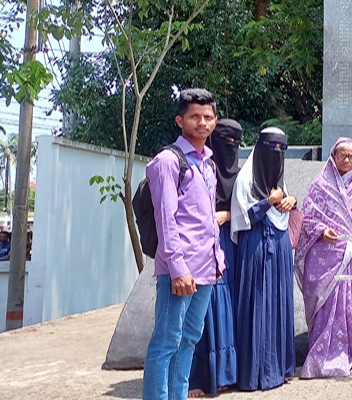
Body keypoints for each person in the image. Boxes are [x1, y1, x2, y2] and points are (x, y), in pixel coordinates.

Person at [142, 88, 224, 400]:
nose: (202, 122)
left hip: (205, 267)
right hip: (180, 270)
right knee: (166, 341)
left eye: (207, 117)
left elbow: (205, 218)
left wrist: (218, 259)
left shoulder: (209, 163)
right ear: (180, 120)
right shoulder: (168, 161)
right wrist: (178, 270)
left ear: (215, 122)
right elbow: (167, 219)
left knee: (189, 337)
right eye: (194, 117)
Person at [295, 137, 352, 378]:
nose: (346, 159)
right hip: (325, 256)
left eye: (351, 156)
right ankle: (323, 357)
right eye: (342, 155)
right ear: (333, 157)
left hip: (351, 255)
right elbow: (308, 220)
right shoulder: (320, 185)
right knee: (326, 308)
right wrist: (323, 231)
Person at [230, 127, 296, 391]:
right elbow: (242, 217)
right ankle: (254, 373)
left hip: (279, 248)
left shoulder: (279, 180)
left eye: (281, 149)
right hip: (255, 247)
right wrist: (268, 201)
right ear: (259, 148)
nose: (275, 155)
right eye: (271, 148)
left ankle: (279, 368)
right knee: (256, 303)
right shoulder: (246, 179)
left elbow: (285, 211)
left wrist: (291, 200)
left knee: (278, 303)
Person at [188, 119, 242, 397]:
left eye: (235, 141)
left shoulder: (243, 174)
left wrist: (230, 215)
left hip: (231, 246)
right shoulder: (202, 169)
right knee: (205, 309)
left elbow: (250, 204)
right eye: (224, 140)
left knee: (227, 309)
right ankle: (199, 377)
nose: (229, 147)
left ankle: (225, 374)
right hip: (202, 244)